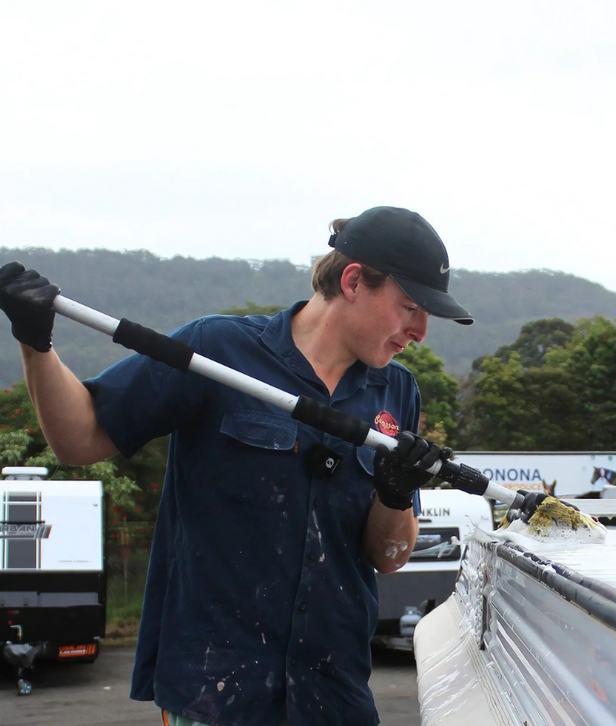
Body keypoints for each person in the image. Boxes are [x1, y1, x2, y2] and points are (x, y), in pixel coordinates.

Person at [0, 205, 474, 726]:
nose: (421, 330)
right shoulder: (216, 351)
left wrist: (396, 494)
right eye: (410, 307)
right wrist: (36, 343)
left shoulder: (397, 391)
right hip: (216, 694)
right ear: (354, 281)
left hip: (334, 696)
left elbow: (388, 557)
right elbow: (80, 438)